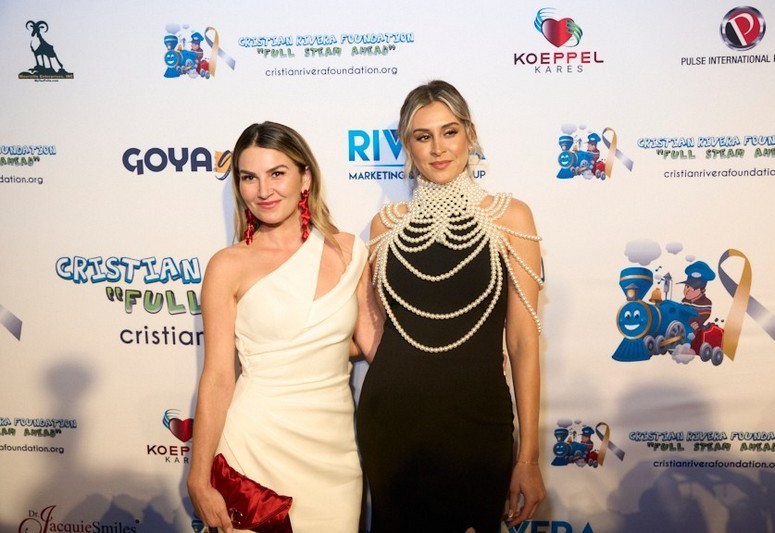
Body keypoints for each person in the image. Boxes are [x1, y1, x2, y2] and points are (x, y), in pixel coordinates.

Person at [356, 80, 546, 531]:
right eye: (423, 136)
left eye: (450, 132)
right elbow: (375, 326)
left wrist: (528, 457)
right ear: (408, 146)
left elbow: (522, 341)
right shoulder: (385, 226)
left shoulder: (510, 216)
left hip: (477, 421)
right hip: (393, 419)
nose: (438, 148)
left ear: (470, 134)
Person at [187, 121, 383, 532]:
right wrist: (199, 477)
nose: (264, 190)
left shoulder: (349, 251)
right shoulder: (227, 266)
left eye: (277, 173)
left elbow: (377, 347)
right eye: (249, 177)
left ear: (304, 177)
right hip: (255, 448)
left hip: (334, 456)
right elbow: (218, 376)